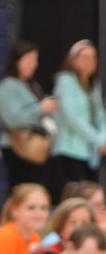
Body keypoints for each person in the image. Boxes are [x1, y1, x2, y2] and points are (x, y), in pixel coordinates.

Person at [0, 40, 58, 190]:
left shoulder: (31, 85)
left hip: (37, 146)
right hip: (17, 148)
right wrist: (40, 109)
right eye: (28, 59)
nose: (33, 64)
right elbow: (12, 119)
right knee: (21, 192)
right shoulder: (6, 86)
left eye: (35, 60)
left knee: (35, 189)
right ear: (16, 60)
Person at [46, 41, 106, 203]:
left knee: (93, 196)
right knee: (76, 199)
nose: (89, 61)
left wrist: (103, 138)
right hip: (69, 149)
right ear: (73, 59)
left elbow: (100, 115)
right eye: (84, 57)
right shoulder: (65, 81)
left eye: (93, 57)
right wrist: (99, 140)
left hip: (91, 152)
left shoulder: (94, 85)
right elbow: (73, 118)